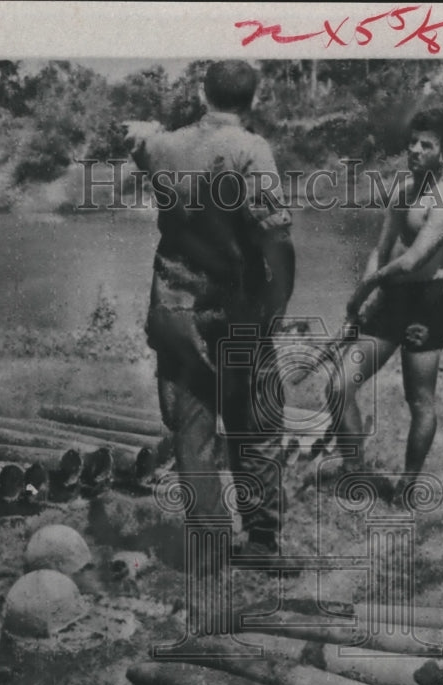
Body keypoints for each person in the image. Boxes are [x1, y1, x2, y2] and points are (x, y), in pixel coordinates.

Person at [126, 60, 295, 559]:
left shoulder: (162, 147)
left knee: (192, 429)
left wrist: (145, 133)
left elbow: (141, 146)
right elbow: (276, 238)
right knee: (255, 425)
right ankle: (261, 541)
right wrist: (277, 303)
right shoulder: (251, 150)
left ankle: (209, 543)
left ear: (202, 94)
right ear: (253, 100)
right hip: (236, 309)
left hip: (176, 308)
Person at [339, 108, 443, 497]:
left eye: (427, 145)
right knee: (339, 386)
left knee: (419, 400)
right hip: (391, 298)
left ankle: (407, 486)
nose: (415, 150)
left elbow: (412, 261)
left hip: (426, 304)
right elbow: (381, 251)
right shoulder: (402, 189)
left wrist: (362, 293)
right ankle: (354, 472)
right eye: (412, 142)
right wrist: (362, 305)